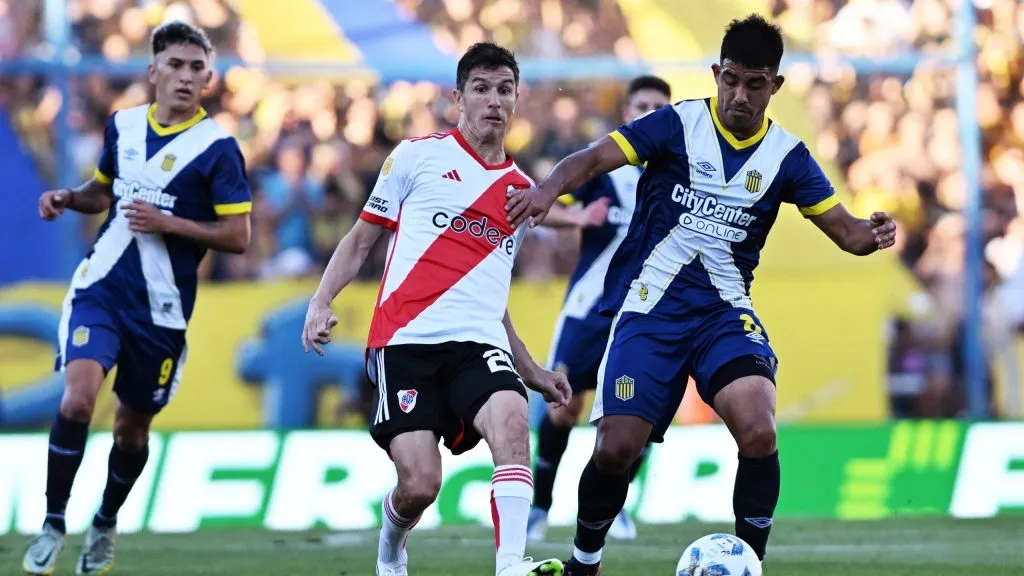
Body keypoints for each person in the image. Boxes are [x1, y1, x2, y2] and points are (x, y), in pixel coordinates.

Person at [505, 15, 898, 575]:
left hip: (723, 316)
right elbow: (592, 159)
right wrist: (546, 191)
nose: (740, 95)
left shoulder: (788, 157)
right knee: (615, 447)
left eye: (755, 84)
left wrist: (873, 232)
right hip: (649, 312)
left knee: (759, 428)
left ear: (775, 86)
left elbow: (846, 232)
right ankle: (583, 563)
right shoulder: (673, 125)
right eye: (731, 80)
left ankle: (750, 564)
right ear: (716, 73)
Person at [301, 42, 571, 576]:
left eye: (504, 89)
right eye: (481, 88)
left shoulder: (522, 193)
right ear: (458, 97)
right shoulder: (415, 156)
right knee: (421, 483)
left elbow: (490, 296)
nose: (494, 100)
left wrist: (532, 370)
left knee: (515, 420)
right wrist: (320, 300)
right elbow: (359, 241)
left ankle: (511, 564)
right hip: (404, 342)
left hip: (477, 344)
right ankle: (391, 547)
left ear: (515, 99)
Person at [23, 21, 252, 576]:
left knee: (131, 428)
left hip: (163, 309)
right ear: (153, 72)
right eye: (175, 65)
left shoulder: (218, 148)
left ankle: (104, 521)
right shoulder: (123, 126)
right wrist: (67, 197)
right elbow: (103, 191)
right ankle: (54, 520)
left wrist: (168, 222)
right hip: (100, 287)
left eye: (197, 68)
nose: (186, 76)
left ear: (208, 78)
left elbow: (238, 237)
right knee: (77, 399)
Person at [526, 75, 672, 543]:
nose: (649, 112)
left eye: (658, 106)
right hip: (589, 307)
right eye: (641, 105)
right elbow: (539, 207)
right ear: (626, 114)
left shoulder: (681, 174)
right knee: (564, 406)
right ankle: (540, 507)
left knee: (636, 411)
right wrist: (576, 218)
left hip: (647, 310)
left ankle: (618, 508)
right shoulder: (603, 166)